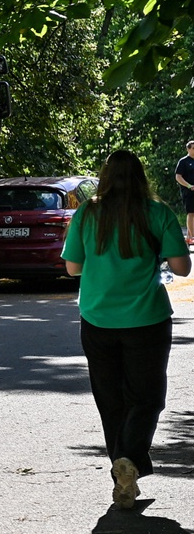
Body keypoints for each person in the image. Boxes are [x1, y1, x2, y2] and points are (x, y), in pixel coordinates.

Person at [62, 150, 191, 509]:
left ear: (105, 177)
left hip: (97, 319)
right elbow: (182, 268)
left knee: (110, 400)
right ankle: (128, 461)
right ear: (140, 176)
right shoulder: (158, 212)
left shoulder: (87, 213)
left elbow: (72, 268)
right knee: (147, 397)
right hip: (147, 319)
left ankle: (123, 470)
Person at [173, 140, 194, 244]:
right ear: (188, 149)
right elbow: (178, 177)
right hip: (188, 192)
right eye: (193, 148)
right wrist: (189, 185)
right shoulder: (183, 161)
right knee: (191, 212)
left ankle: (189, 237)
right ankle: (192, 236)